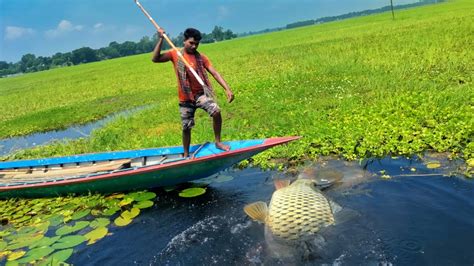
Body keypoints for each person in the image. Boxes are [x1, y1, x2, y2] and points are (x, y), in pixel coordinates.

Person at [151, 27, 234, 158]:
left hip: (200, 95)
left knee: (216, 111)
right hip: (185, 98)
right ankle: (185, 154)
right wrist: (161, 39)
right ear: (184, 41)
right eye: (191, 43)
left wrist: (227, 88)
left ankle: (218, 142)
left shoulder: (201, 58)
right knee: (186, 127)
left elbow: (214, 72)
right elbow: (155, 58)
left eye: (197, 43)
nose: (194, 46)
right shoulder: (175, 54)